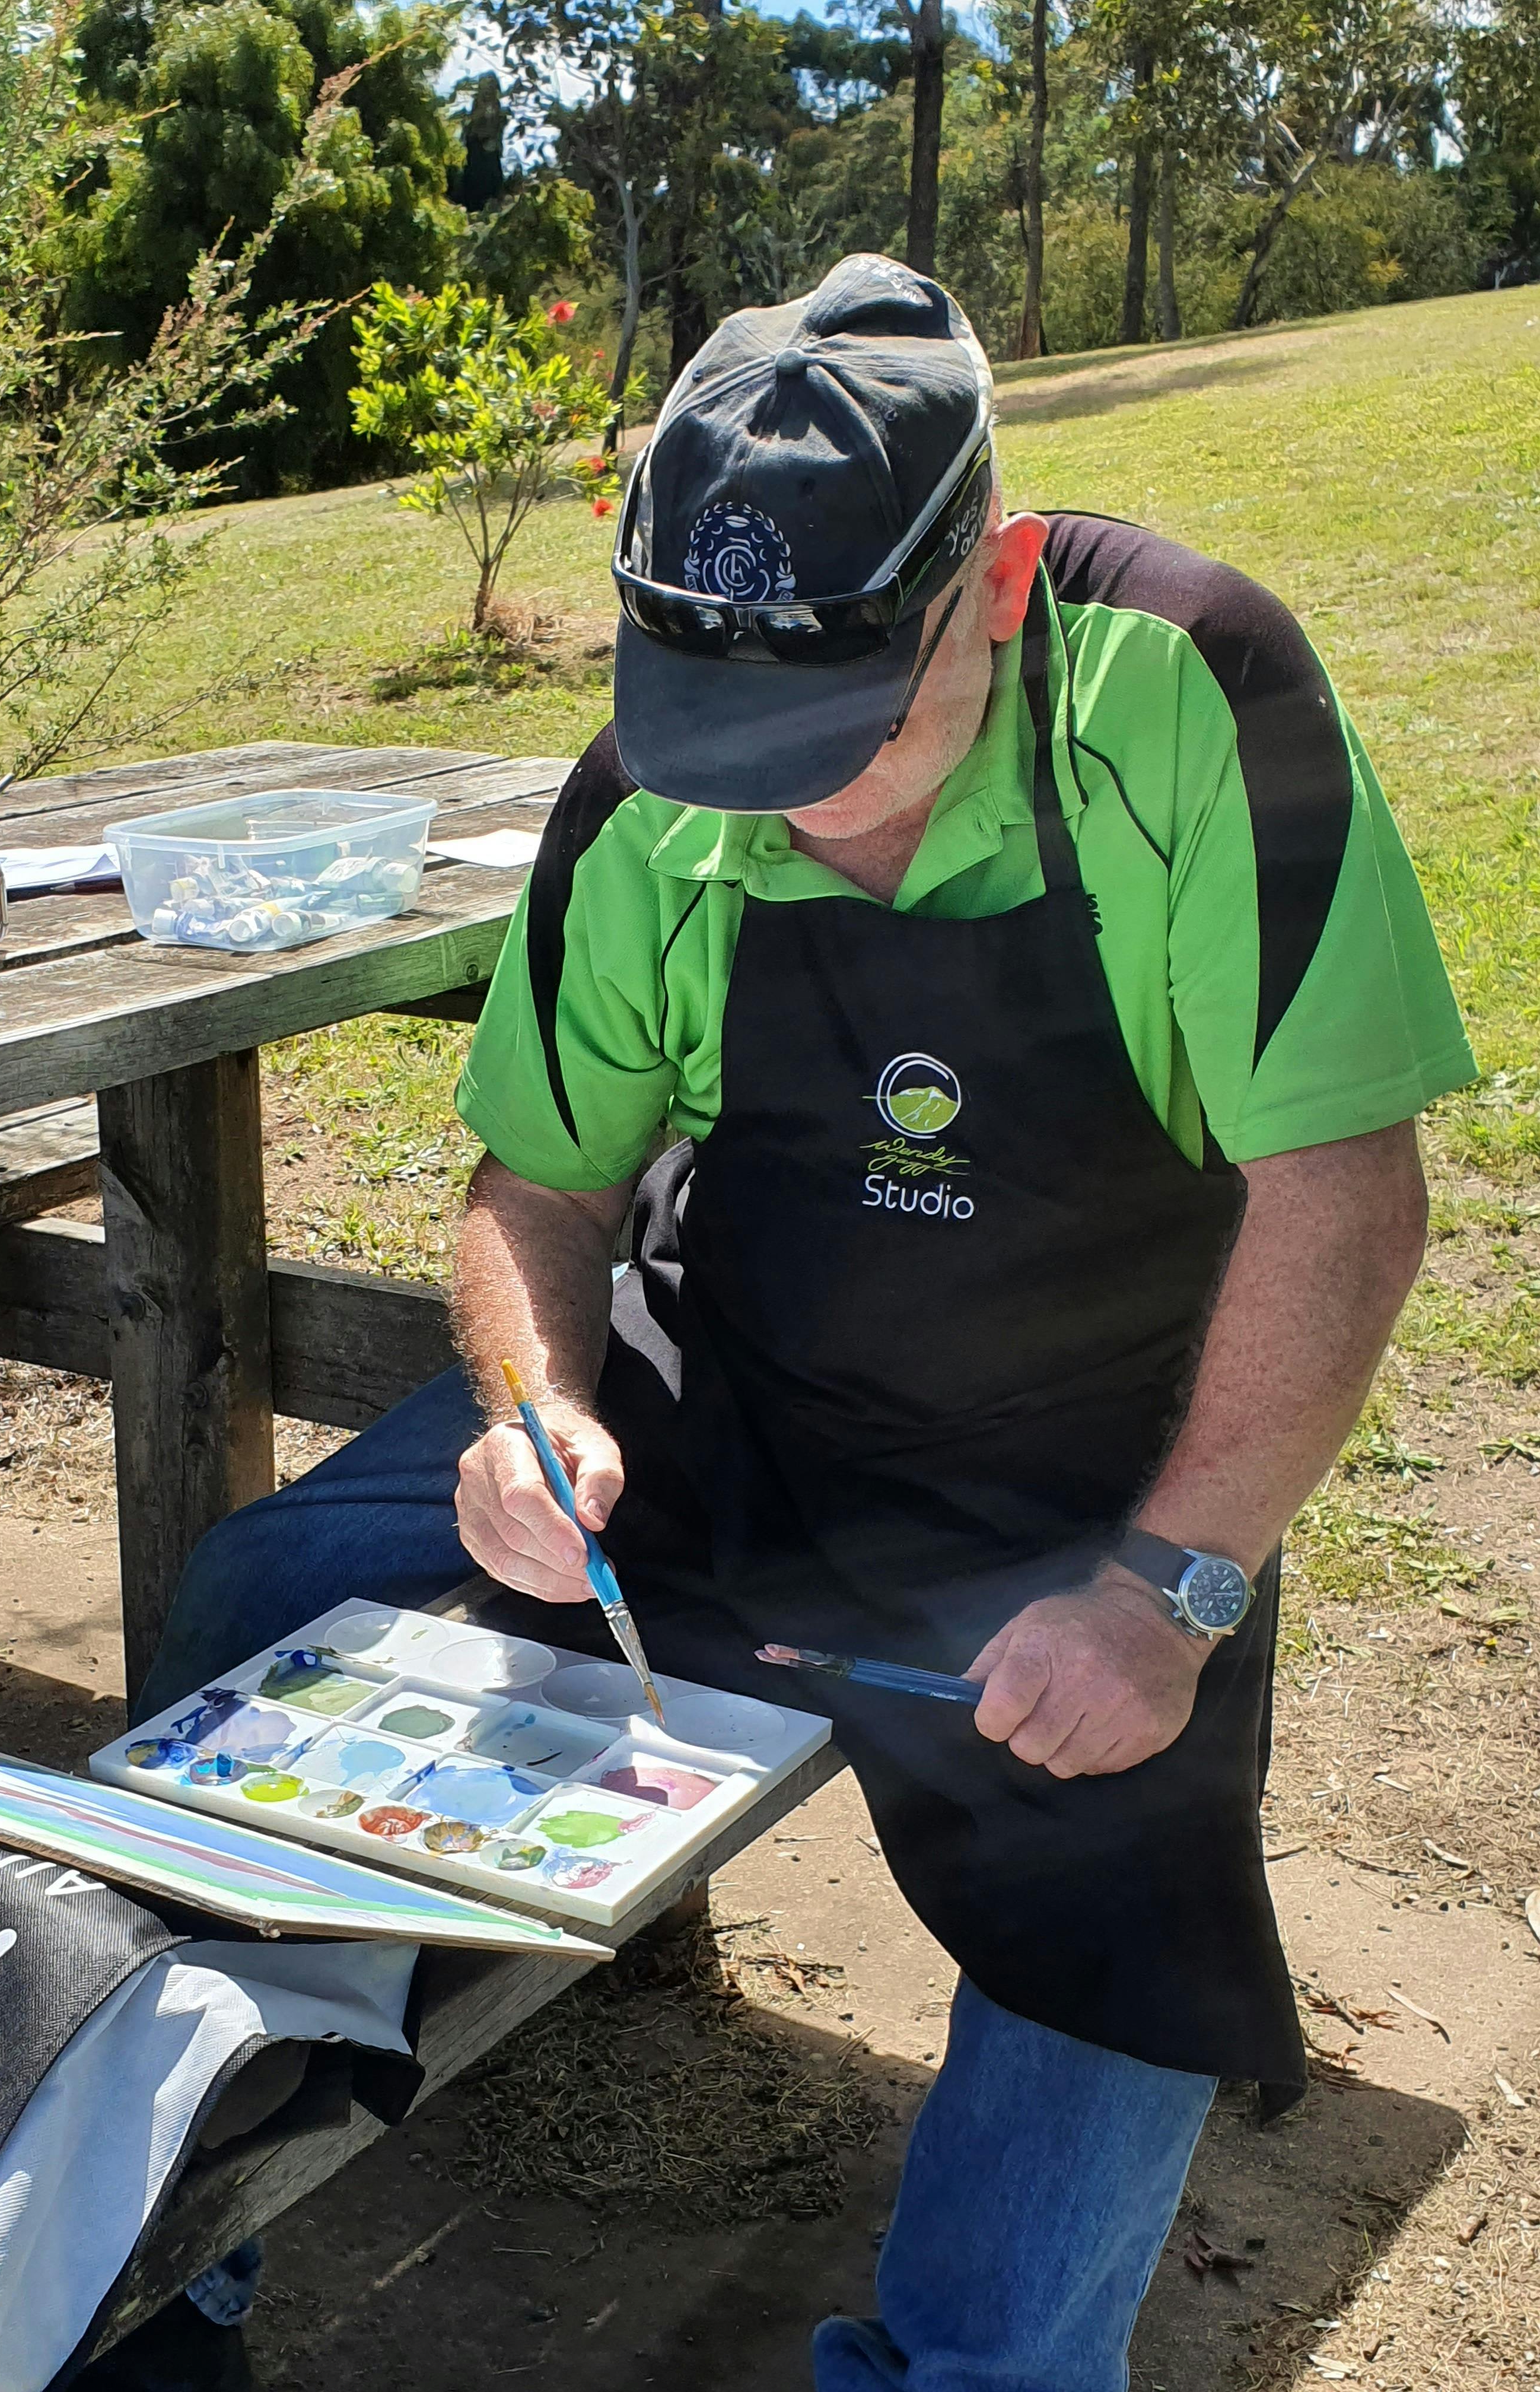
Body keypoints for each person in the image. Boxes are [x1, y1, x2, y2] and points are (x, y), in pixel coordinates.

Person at [124, 255, 1474, 2391]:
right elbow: (543, 1187)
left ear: (995, 585)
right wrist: (539, 1407)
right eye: (728, 746)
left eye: (845, 739)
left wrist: (1171, 1591)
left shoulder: (1190, 690)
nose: (784, 805)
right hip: (730, 1379)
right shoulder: (644, 793)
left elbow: (1344, 1191)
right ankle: (150, 2267)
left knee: (1107, 1875)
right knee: (265, 1595)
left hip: (1097, 1452)